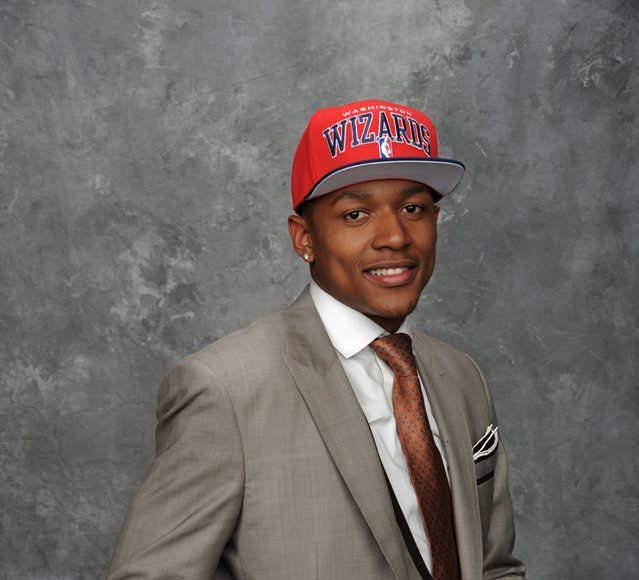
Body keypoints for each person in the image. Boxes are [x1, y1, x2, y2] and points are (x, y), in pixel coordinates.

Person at [107, 99, 525, 580]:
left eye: (413, 208)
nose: (394, 236)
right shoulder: (225, 389)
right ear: (304, 238)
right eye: (356, 214)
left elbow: (494, 568)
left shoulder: (462, 376)